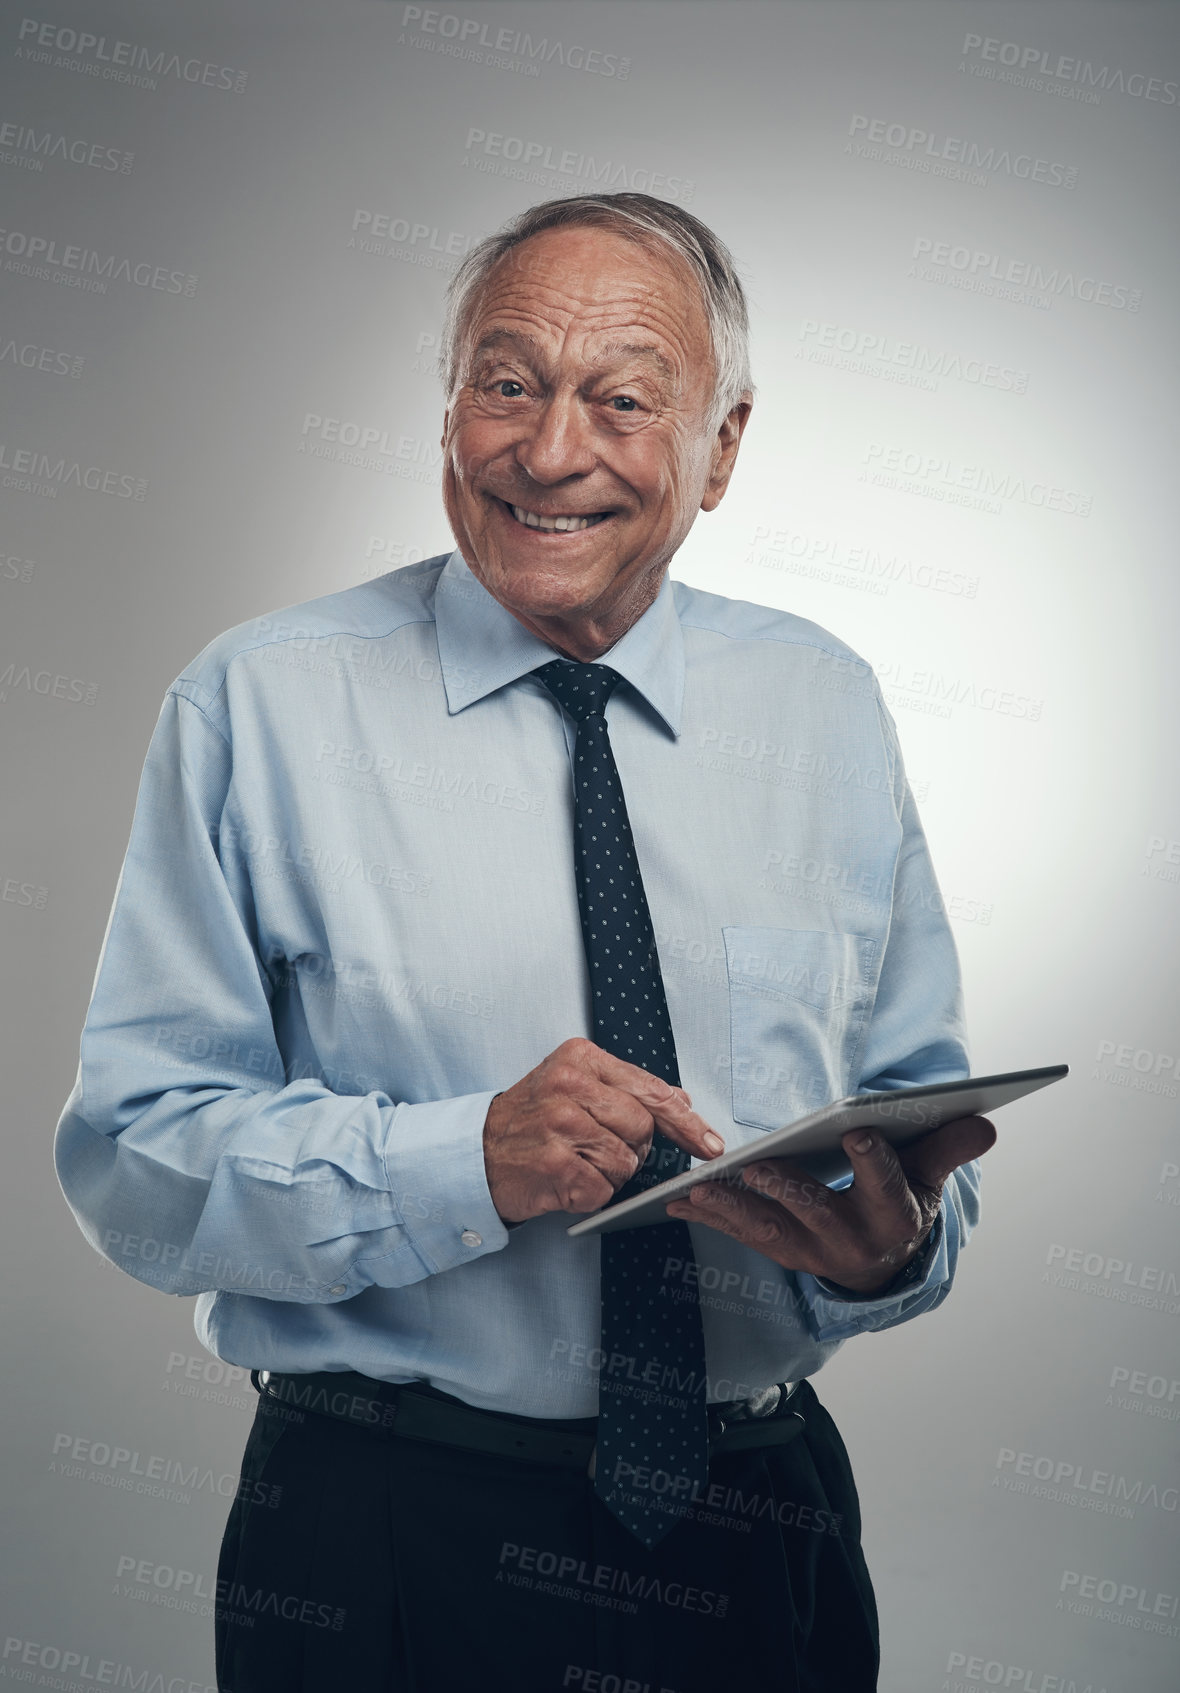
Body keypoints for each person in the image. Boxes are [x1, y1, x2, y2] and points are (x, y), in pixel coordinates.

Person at [55, 192, 995, 1692]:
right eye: (507, 382)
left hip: (763, 1531)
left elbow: (919, 1112)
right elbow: (135, 1161)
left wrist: (892, 1253)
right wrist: (465, 1158)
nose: (550, 451)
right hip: (382, 1533)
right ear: (448, 407)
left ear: (725, 446)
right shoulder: (257, 707)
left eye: (623, 398)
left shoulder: (827, 707)